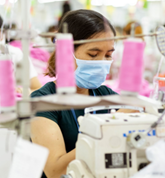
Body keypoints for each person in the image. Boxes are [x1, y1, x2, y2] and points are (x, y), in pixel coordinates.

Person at [30, 9, 135, 178]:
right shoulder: (41, 101)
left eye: (108, 55)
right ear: (66, 52)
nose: (102, 62)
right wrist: (107, 126)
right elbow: (55, 171)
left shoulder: (106, 95)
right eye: (93, 54)